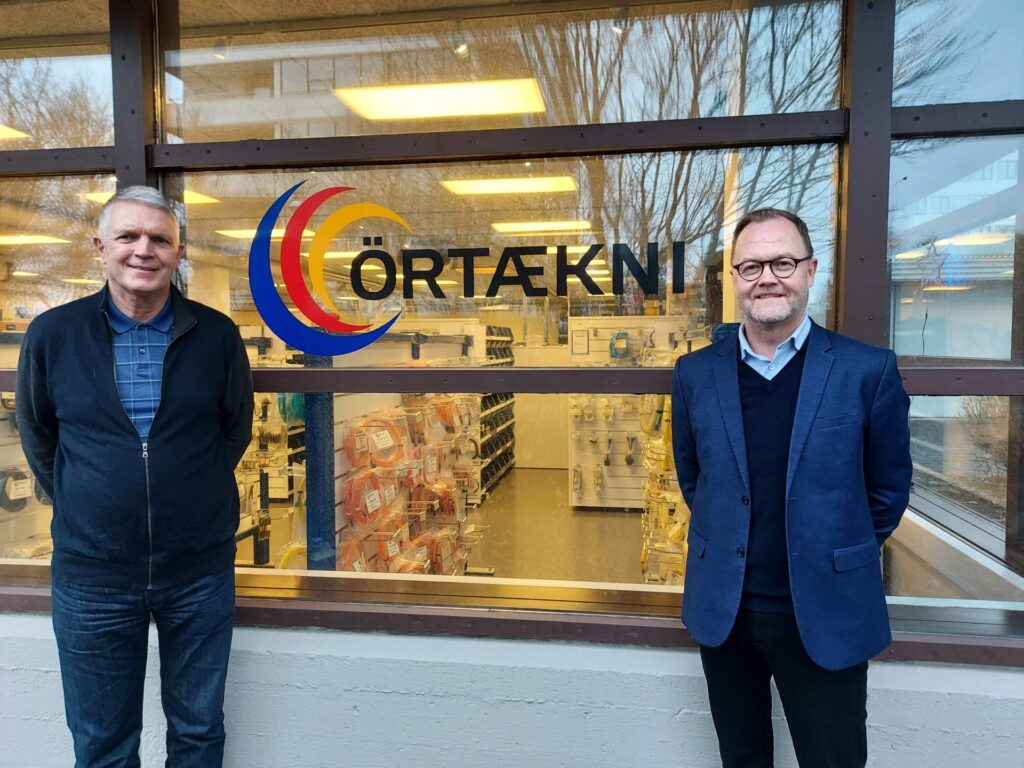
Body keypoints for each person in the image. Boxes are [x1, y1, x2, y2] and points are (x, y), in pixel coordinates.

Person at [17, 185, 254, 767]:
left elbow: (233, 430)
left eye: (160, 239)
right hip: (92, 575)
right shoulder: (53, 335)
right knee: (103, 743)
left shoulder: (216, 335)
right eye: (128, 236)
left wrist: (186, 491)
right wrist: (88, 497)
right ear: (101, 247)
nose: (144, 250)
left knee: (198, 733)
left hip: (198, 572)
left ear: (178, 253)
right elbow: (39, 433)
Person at [671, 208, 912, 767]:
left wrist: (834, 551)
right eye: (751, 266)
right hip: (726, 611)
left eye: (783, 262)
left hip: (826, 609)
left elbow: (889, 490)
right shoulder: (694, 374)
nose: (767, 278)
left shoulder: (866, 370)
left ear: (810, 270)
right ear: (734, 278)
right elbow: (695, 479)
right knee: (742, 759)